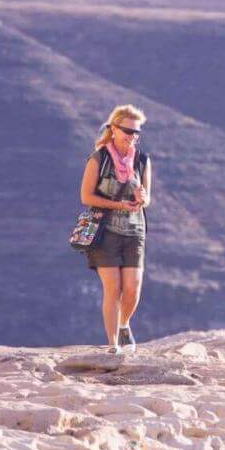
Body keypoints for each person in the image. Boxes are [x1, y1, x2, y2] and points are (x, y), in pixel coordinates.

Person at [79, 104, 152, 354]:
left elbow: (148, 198)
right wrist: (116, 204)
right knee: (113, 288)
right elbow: (86, 196)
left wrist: (141, 197)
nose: (132, 137)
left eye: (136, 133)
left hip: (134, 231)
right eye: (127, 131)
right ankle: (113, 345)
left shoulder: (142, 160)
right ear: (113, 129)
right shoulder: (98, 159)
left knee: (132, 287)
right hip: (105, 232)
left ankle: (124, 325)